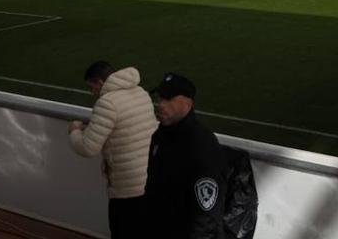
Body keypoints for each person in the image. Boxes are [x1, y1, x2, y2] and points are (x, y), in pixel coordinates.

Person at [69, 61, 158, 238]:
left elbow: (88, 148)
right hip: (151, 179)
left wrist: (74, 131)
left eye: (91, 87)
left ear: (100, 82)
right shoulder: (141, 93)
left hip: (127, 187)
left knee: (122, 230)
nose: (92, 92)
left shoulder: (107, 103)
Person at [145, 73, 227, 238]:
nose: (160, 104)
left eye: (168, 99)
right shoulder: (160, 136)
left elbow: (207, 213)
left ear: (187, 103)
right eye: (160, 98)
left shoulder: (201, 144)